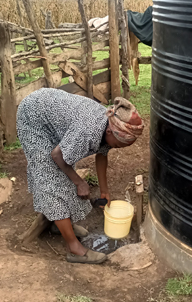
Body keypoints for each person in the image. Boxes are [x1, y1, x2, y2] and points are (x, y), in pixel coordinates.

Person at [16, 88, 144, 264]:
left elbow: (102, 153)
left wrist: (104, 191)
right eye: (121, 144)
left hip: (51, 114)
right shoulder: (88, 130)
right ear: (110, 132)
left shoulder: (108, 122)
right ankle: (75, 249)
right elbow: (57, 156)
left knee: (66, 170)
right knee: (50, 176)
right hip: (34, 117)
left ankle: (59, 224)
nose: (120, 148)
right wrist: (79, 182)